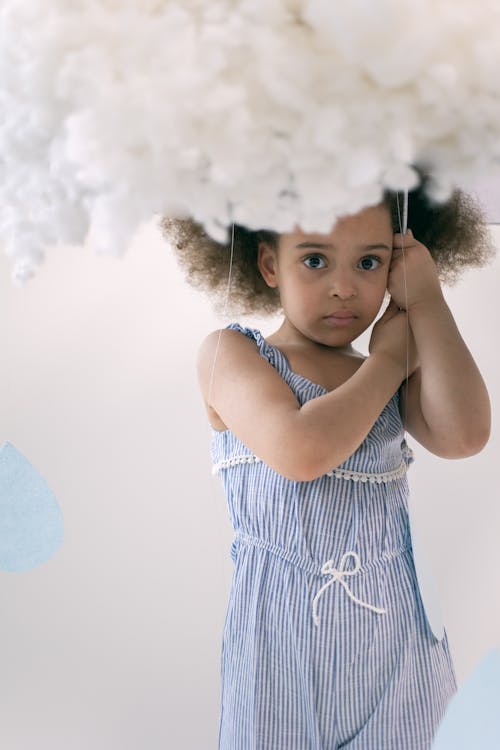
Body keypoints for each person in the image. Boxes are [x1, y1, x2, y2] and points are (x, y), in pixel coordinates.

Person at [160, 172, 494, 749]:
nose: (345, 287)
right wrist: (389, 362)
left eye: (369, 263)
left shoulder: (383, 368)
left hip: (397, 649)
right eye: (316, 261)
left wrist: (429, 302)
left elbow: (465, 436)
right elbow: (302, 451)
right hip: (280, 647)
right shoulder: (233, 355)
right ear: (269, 265)